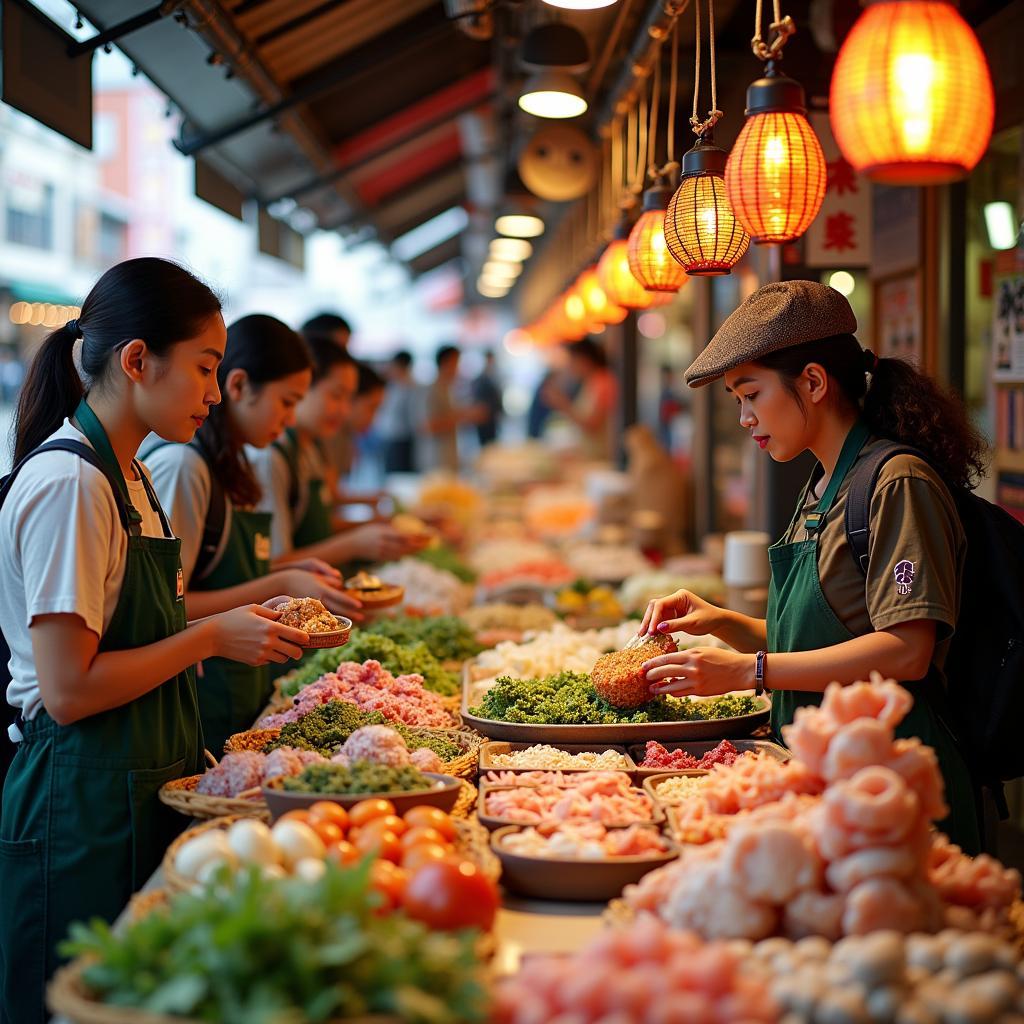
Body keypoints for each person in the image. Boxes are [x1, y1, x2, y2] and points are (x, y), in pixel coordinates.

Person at [0, 258, 310, 1020]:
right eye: (205, 368)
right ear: (137, 360)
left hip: (132, 786)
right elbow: (68, 691)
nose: (214, 390)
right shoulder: (71, 483)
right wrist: (209, 637)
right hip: (76, 802)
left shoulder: (132, 475)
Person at [637, 280, 984, 851]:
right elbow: (825, 637)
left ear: (815, 382)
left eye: (752, 395)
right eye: (737, 401)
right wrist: (723, 623)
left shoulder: (897, 484)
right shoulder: (822, 484)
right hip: (821, 770)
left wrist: (750, 672)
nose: (746, 417)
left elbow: (906, 648)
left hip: (891, 785)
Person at [143, 314, 361, 755]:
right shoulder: (184, 467)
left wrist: (290, 570)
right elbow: (171, 608)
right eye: (286, 401)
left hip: (243, 688)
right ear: (240, 387)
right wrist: (281, 582)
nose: (292, 417)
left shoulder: (236, 466)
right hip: (201, 702)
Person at [247, 335, 408, 567]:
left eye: (349, 398)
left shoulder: (311, 447)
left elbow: (323, 521)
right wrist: (356, 542)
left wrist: (379, 525)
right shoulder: (272, 456)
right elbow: (275, 562)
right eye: (336, 395)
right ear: (303, 387)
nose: (344, 411)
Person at [544, 338, 618, 460]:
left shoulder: (603, 382)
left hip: (600, 456)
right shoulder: (591, 382)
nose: (570, 366)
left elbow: (592, 425)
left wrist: (562, 404)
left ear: (584, 360)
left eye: (572, 361)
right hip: (590, 453)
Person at [422, 344, 482, 473]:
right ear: (446, 363)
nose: (458, 368)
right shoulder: (432, 390)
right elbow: (427, 426)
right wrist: (464, 416)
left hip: (448, 456)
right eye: (456, 363)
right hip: (437, 459)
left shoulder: (447, 389)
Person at [378, 350, 418, 474]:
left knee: (398, 473)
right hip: (390, 437)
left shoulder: (409, 386)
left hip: (402, 439)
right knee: (390, 471)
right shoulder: (394, 385)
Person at [472, 350, 504, 447]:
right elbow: (478, 399)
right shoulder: (481, 378)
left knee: (493, 441)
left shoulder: (493, 376)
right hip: (484, 417)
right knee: (486, 443)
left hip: (492, 416)